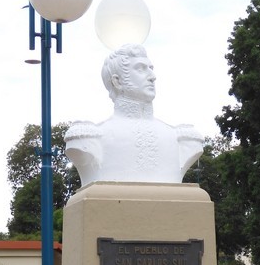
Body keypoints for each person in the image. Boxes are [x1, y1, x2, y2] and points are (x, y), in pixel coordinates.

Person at [65, 44, 204, 186]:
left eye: (151, 68)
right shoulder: (90, 138)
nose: (152, 77)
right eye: (140, 69)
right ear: (117, 81)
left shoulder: (182, 139)